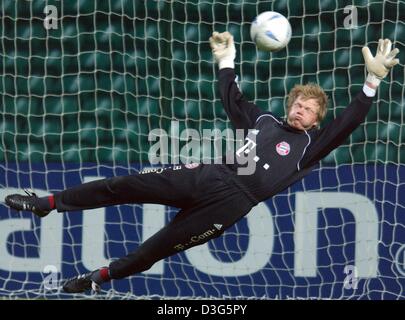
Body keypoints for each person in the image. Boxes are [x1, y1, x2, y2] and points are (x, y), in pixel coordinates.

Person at [4, 32, 399, 293]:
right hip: (206, 175)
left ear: (316, 119)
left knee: (150, 252)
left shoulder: (310, 147)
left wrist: (371, 83)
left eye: (309, 108)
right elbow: (233, 99)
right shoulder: (262, 120)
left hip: (231, 205)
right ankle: (47, 204)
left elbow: (348, 124)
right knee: (122, 185)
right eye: (297, 102)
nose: (300, 109)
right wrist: (227, 59)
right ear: (288, 105)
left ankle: (96, 279)